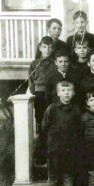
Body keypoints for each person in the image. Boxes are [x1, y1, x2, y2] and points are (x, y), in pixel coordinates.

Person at [42, 79, 81, 186]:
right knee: (52, 177)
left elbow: (79, 129)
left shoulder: (76, 109)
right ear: (58, 93)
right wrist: (48, 147)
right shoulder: (51, 109)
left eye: (69, 90)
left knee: (68, 176)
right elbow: (44, 128)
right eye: (63, 90)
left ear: (73, 93)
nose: (66, 93)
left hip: (70, 149)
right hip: (54, 150)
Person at [29, 36, 56, 164]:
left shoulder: (55, 62)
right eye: (45, 47)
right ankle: (41, 154)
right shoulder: (35, 63)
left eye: (50, 47)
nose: (47, 49)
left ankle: (52, 153)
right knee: (41, 123)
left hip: (51, 94)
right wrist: (35, 92)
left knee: (51, 123)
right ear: (40, 48)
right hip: (39, 95)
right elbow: (31, 81)